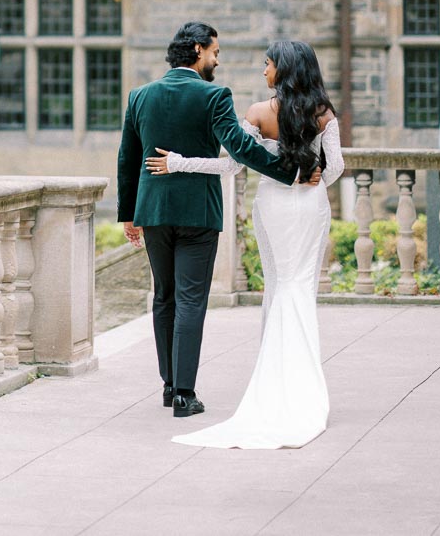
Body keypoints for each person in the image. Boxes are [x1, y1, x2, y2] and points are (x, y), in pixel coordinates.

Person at [146, 38, 344, 449]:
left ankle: (274, 378)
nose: (263, 71)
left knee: (278, 285)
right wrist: (312, 180)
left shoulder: (257, 112)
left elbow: (232, 165)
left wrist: (178, 162)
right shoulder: (324, 113)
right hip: (310, 209)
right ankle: (303, 383)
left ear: (284, 70)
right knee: (300, 287)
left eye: (268, 64)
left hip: (271, 205)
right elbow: (336, 168)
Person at [117, 22, 299, 420]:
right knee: (190, 300)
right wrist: (289, 172)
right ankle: (185, 392)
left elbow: (127, 160)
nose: (217, 59)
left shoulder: (139, 96)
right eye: (215, 51)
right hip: (198, 213)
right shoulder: (214, 95)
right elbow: (240, 147)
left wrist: (129, 215)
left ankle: (168, 386)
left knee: (164, 297)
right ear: (198, 50)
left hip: (154, 212)